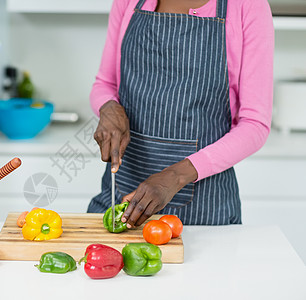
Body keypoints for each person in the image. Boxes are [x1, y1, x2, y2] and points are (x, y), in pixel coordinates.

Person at [88, 0, 274, 226]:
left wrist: (176, 176)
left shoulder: (248, 5)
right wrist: (108, 107)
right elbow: (105, 83)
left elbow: (255, 124)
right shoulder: (129, 2)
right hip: (119, 201)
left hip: (206, 214)